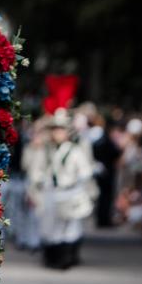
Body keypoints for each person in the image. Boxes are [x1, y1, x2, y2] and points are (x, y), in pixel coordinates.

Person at [25, 109, 97, 270]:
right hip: (51, 192)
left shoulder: (74, 150)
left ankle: (65, 258)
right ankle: (52, 256)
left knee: (70, 226)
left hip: (70, 192)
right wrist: (39, 181)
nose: (57, 133)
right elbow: (36, 169)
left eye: (61, 130)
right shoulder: (46, 149)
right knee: (50, 226)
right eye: (55, 130)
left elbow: (85, 171)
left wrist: (77, 185)